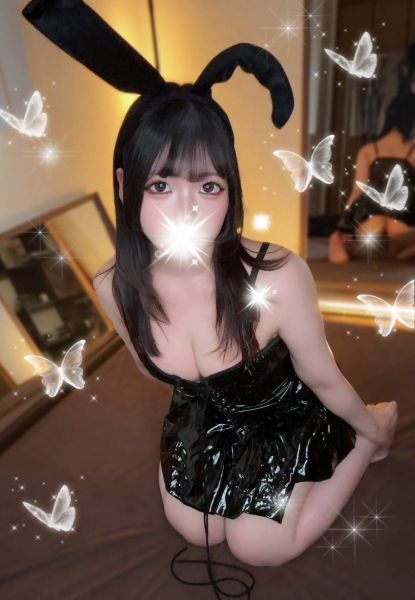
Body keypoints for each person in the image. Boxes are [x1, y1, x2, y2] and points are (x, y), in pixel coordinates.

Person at [22, 2, 398, 599]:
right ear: (125, 185)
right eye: (161, 184)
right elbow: (169, 380)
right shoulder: (113, 286)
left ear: (231, 190)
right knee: (193, 527)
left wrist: (369, 429)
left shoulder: (279, 276)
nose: (187, 210)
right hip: (202, 422)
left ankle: (373, 430)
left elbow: (323, 378)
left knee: (259, 547)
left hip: (285, 418)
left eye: (209, 185)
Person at [329, 91, 415, 263]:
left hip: (371, 221)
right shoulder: (413, 151)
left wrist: (343, 226)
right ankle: (399, 255)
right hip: (402, 222)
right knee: (400, 238)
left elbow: (357, 191)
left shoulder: (368, 150)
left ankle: (354, 250)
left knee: (361, 237)